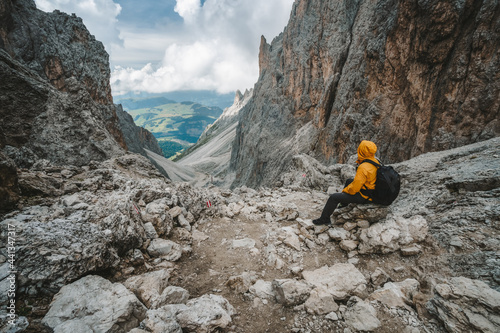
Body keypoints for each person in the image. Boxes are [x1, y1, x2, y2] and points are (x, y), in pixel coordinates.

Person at [313, 140, 379, 225]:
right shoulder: (375, 161)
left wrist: (345, 191)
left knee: (334, 198)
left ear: (362, 151)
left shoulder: (364, 167)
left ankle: (324, 220)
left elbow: (355, 188)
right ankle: (344, 205)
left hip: (365, 196)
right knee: (349, 181)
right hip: (373, 191)